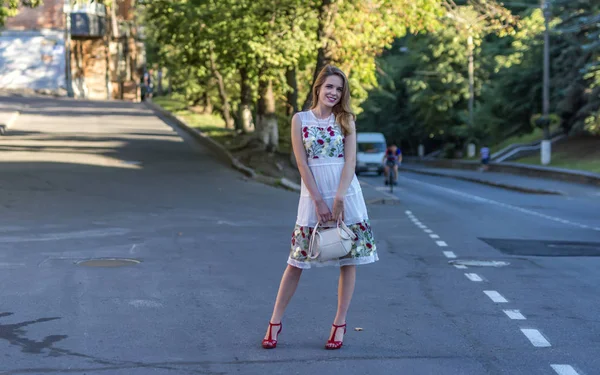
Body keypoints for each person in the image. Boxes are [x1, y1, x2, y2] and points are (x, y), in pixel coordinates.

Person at [262, 65, 378, 351]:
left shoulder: (346, 119)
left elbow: (350, 162)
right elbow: (302, 163)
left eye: (339, 89)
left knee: (348, 260)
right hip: (313, 196)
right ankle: (274, 323)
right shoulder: (300, 120)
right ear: (318, 88)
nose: (334, 93)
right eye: (329, 87)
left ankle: (339, 323)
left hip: (346, 195)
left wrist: (338, 198)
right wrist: (318, 201)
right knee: (296, 262)